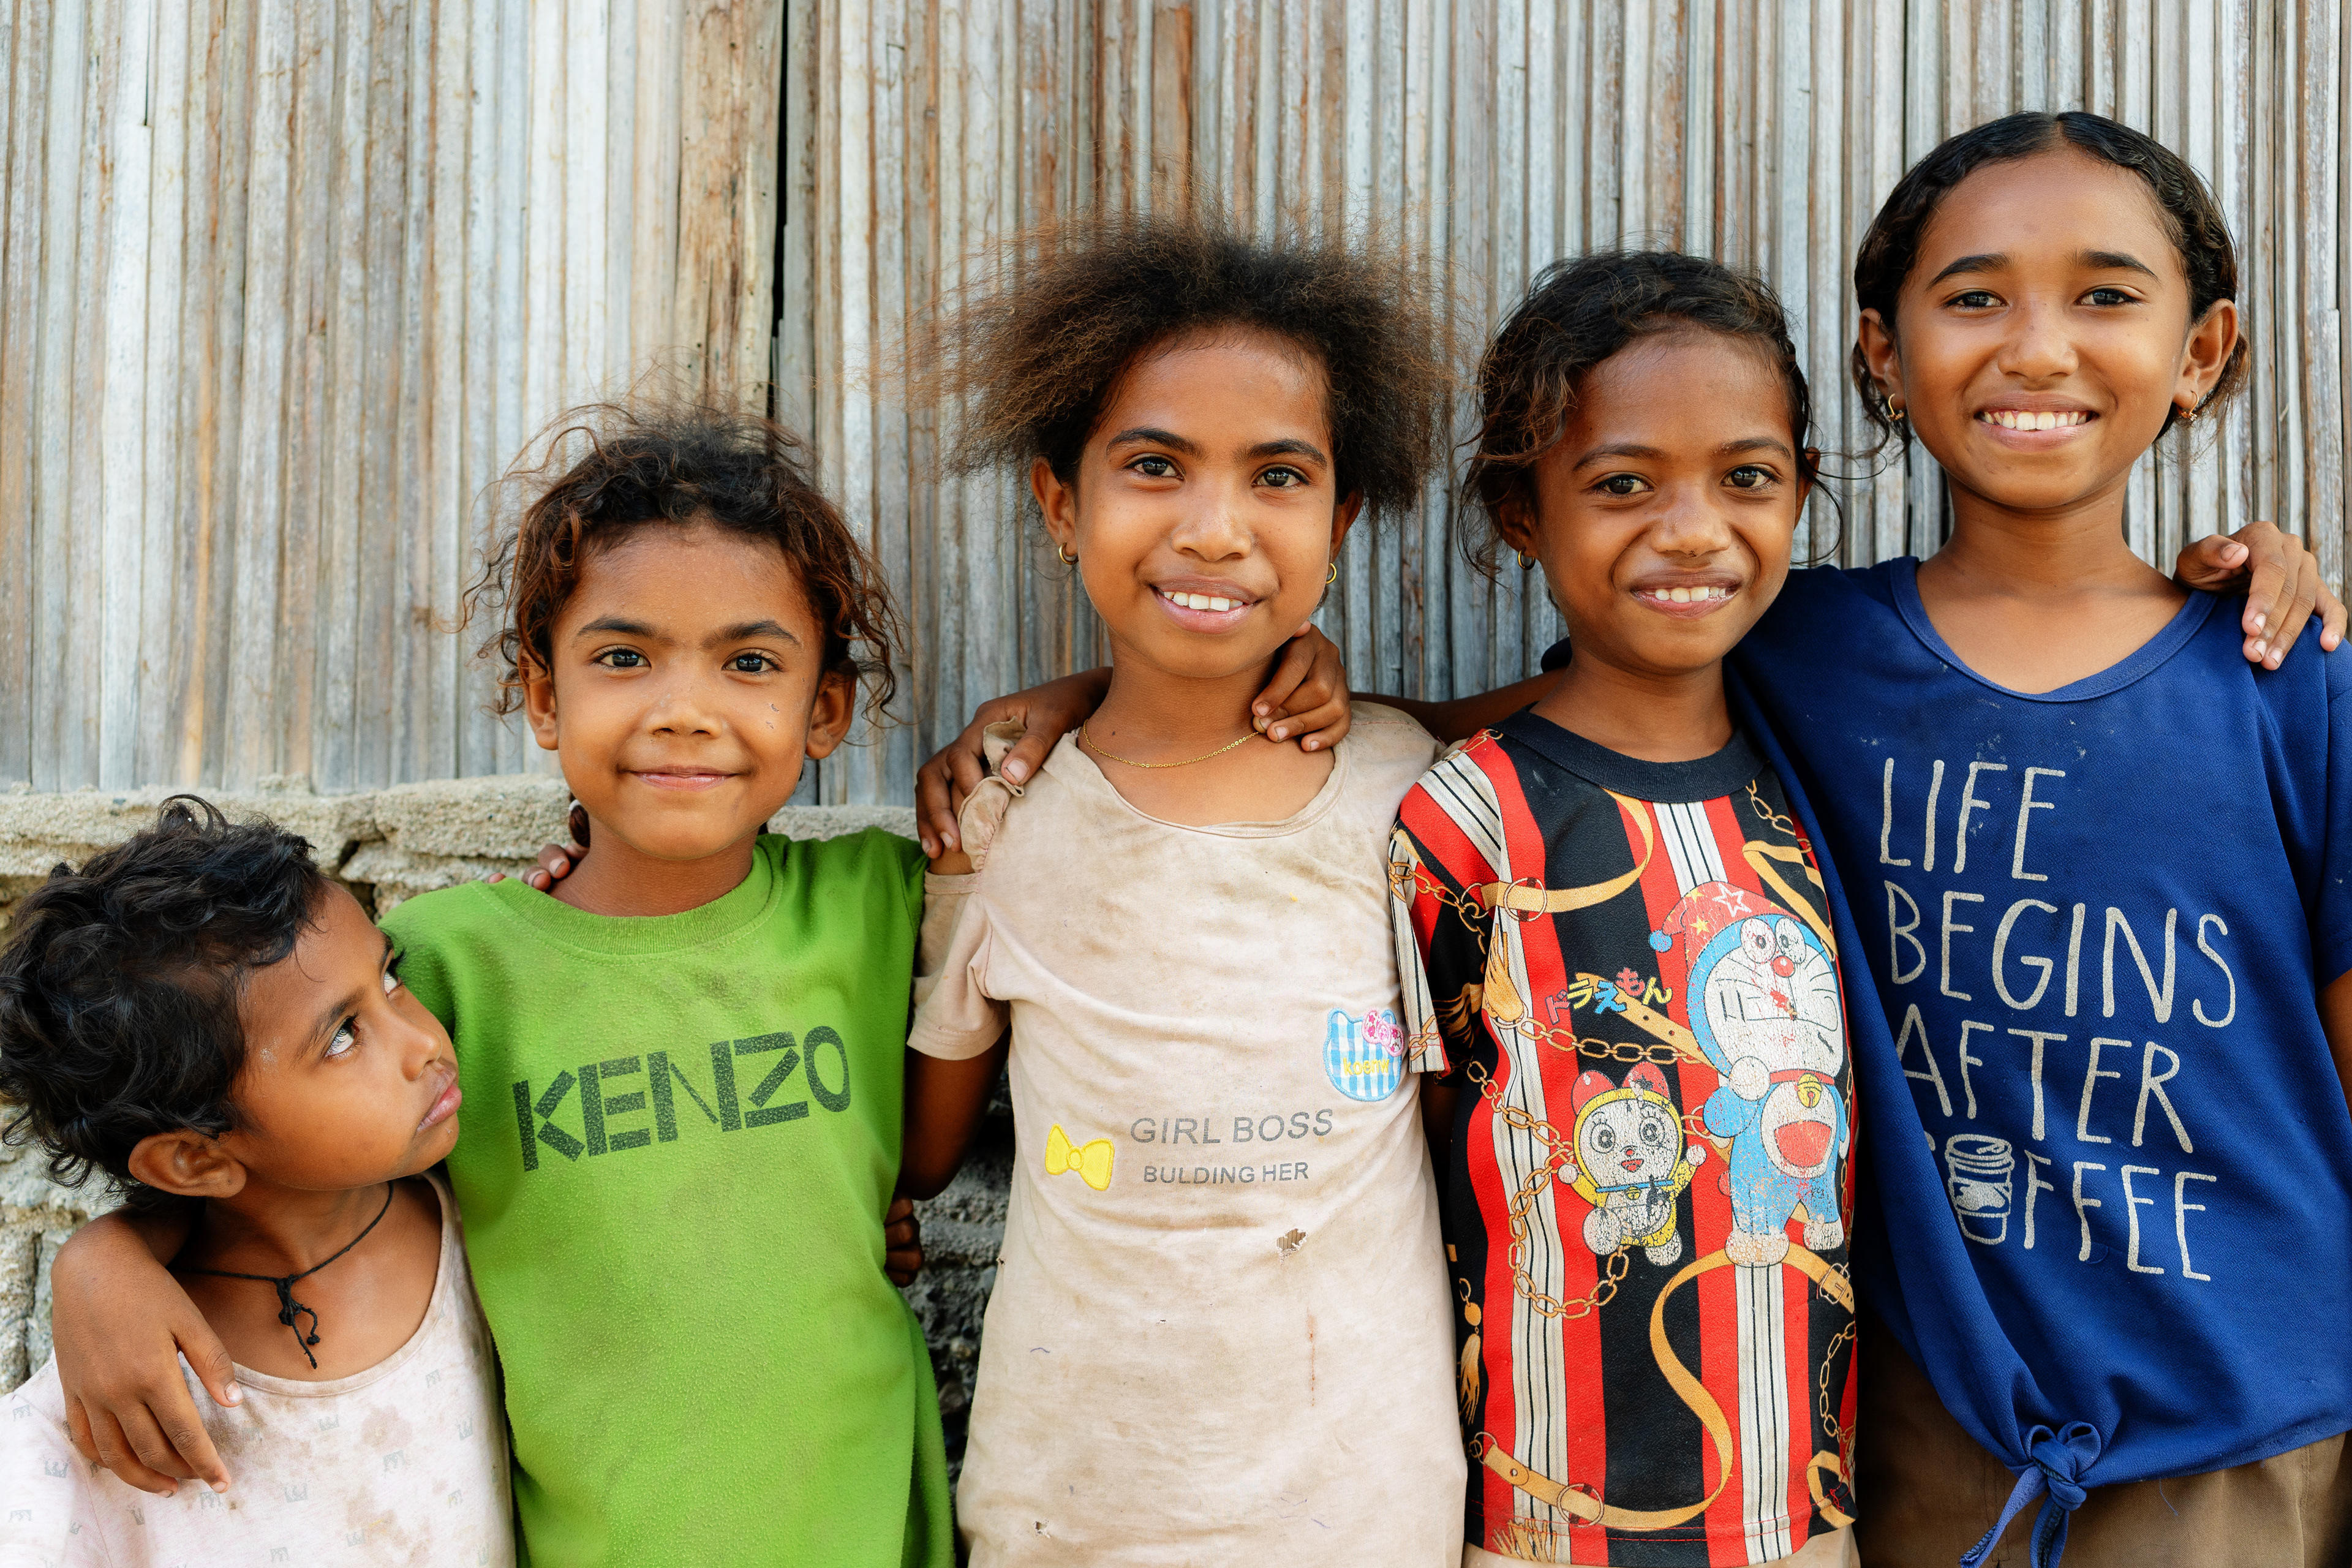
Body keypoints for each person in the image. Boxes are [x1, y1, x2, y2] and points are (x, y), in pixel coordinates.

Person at [913, 116, 2352, 1568]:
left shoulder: (2240, 676)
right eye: (1978, 295)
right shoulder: (1658, 719)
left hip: (2178, 1422)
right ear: (1883, 349)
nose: (1691, 532)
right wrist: (1074, 704)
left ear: (2201, 349)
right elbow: (1392, 748)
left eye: (2102, 293)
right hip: (1785, 1454)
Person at [39, 405, 951, 1567]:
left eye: (750, 662)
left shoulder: (885, 904)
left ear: (825, 708)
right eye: (623, 657)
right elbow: (266, 1159)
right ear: (543, 694)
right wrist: (103, 1258)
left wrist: (1048, 710)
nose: (683, 709)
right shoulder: (439, 975)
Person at [893, 210, 1465, 1564]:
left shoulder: (1412, 788)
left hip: (1365, 1504)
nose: (1215, 529)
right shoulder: (1000, 817)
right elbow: (922, 1153)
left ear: (1341, 519)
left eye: (1279, 475)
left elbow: (1603, 705)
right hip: (1077, 1505)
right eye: (1155, 466)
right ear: (1061, 504)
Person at [1389, 252, 1858, 1567]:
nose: (1693, 528)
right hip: (1547, 1513)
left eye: (1746, 477)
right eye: (1622, 484)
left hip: (1806, 1508)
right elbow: (1411, 1146)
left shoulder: (1822, 786)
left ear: (1802, 488)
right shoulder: (1463, 822)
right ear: (1520, 511)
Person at [0, 797, 511, 1566]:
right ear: (196, 1160)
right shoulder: (110, 1412)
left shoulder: (487, 1214)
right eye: (342, 1037)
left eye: (390, 976)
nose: (422, 1044)